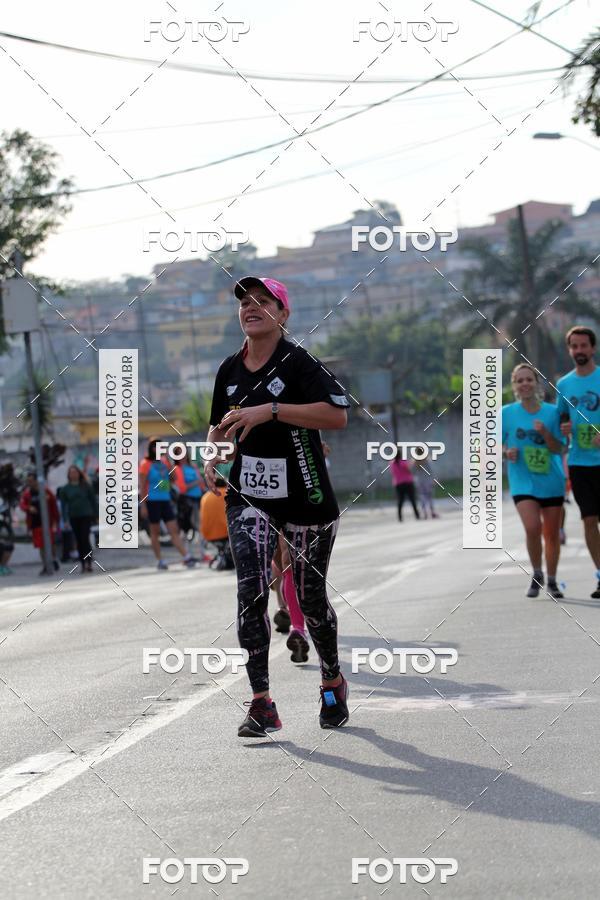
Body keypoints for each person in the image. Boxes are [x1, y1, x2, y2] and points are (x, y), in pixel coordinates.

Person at [205, 275, 350, 736]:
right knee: (250, 592)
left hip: (305, 492)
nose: (250, 308)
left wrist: (270, 410)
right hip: (250, 495)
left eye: (262, 302)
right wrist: (214, 456)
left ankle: (331, 681)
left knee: (310, 599)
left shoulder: (300, 363)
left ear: (283, 314)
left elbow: (337, 415)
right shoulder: (229, 370)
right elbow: (218, 430)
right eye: (244, 303)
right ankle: (261, 701)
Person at [503, 364, 566, 599]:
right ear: (514, 386)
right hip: (522, 481)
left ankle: (551, 580)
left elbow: (559, 448)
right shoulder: (506, 413)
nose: (524, 384)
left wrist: (546, 434)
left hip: (551, 480)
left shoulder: (551, 413)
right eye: (519, 381)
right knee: (532, 528)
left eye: (529, 379)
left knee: (551, 534)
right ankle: (536, 572)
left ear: (537, 384)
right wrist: (505, 452)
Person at [556, 326, 600, 598]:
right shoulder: (564, 384)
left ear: (593, 348)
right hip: (580, 463)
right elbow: (561, 419)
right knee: (588, 520)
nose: (579, 351)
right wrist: (564, 429)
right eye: (575, 346)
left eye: (584, 345)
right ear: (570, 350)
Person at [139, 438, 197, 570]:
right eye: (157, 447)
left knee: (173, 529)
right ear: (152, 448)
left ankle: (186, 557)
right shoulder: (145, 464)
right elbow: (142, 486)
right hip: (152, 501)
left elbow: (174, 478)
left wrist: (169, 463)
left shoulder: (165, 462)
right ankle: (160, 560)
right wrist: (143, 505)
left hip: (165, 500)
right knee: (155, 532)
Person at [58, 465, 98, 573]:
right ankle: (82, 563)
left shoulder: (86, 486)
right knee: (79, 540)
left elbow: (93, 501)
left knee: (85, 538)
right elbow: (63, 506)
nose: (73, 475)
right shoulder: (65, 489)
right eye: (71, 473)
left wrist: (96, 514)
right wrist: (65, 520)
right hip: (74, 516)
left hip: (86, 515)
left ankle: (89, 561)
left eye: (75, 472)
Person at [19, 472, 60, 574]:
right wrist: (29, 508)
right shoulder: (27, 494)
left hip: (48, 522)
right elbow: (22, 505)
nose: (30, 483)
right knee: (41, 546)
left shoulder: (46, 491)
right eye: (28, 481)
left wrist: (56, 521)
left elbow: (54, 505)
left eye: (31, 481)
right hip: (35, 523)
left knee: (50, 543)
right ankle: (46, 565)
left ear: (37, 481)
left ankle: (53, 559)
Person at [200, 477, 234, 569]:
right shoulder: (227, 494)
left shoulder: (205, 497)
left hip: (208, 534)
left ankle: (223, 555)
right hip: (225, 533)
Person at [174, 450, 206, 540]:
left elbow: (201, 483)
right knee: (186, 526)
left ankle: (202, 550)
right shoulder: (177, 468)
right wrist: (196, 482)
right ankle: (186, 551)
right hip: (186, 500)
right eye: (179, 453)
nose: (182, 455)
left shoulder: (193, 466)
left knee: (200, 524)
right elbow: (182, 488)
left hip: (198, 498)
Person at [391, 451, 420, 521]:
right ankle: (417, 515)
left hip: (398, 483)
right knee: (412, 499)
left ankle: (400, 517)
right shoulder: (403, 462)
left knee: (400, 500)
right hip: (408, 482)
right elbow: (409, 470)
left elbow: (393, 473)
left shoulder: (392, 463)